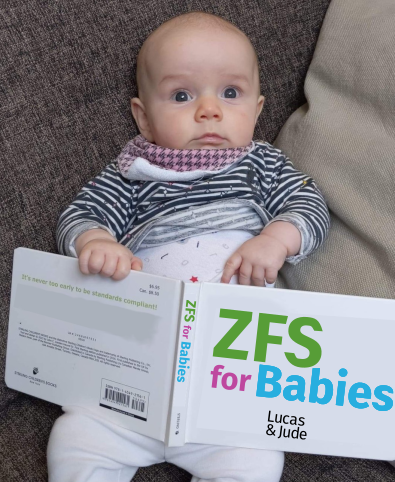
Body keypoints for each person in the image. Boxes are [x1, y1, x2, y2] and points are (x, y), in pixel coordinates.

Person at [48, 11, 330, 482]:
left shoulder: (258, 165)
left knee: (256, 457)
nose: (209, 110)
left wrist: (276, 240)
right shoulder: (134, 175)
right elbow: (79, 217)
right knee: (77, 438)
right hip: (134, 378)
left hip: (231, 388)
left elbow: (310, 203)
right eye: (181, 95)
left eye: (230, 93)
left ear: (258, 111)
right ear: (143, 116)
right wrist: (96, 242)